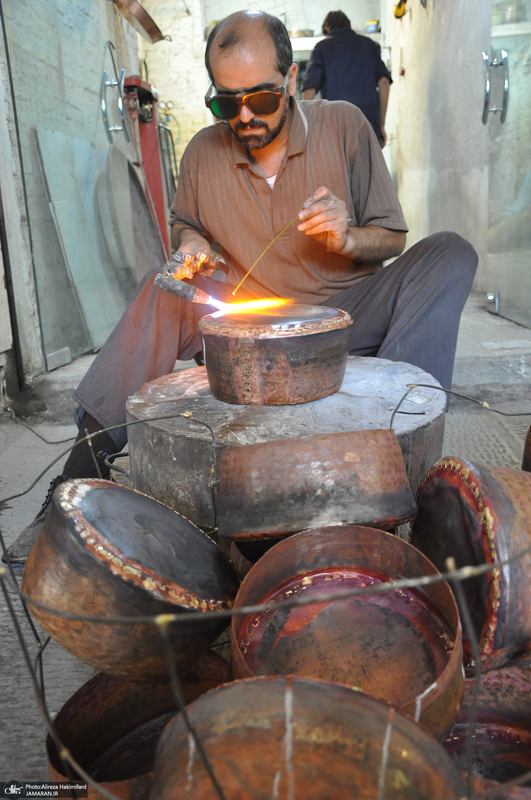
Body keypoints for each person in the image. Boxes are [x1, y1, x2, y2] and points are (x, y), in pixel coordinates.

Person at [4, 10, 477, 563]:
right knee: (164, 287)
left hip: (348, 316)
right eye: (227, 103)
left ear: (293, 81)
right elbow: (186, 223)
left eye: (262, 99)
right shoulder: (204, 152)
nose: (245, 117)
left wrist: (348, 238)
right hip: (251, 324)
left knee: (450, 252)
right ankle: (72, 483)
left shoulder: (345, 125)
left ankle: (398, 465)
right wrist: (190, 245)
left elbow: (391, 236)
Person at [302, 10, 391, 146]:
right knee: (369, 166)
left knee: (337, 167)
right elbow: (384, 82)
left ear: (327, 27)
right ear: (348, 25)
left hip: (335, 127)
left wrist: (303, 129)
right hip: (368, 124)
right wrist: (381, 124)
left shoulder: (322, 47)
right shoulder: (369, 45)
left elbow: (310, 88)